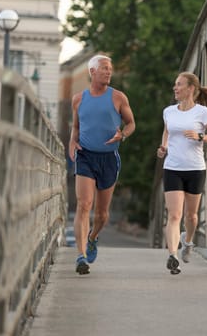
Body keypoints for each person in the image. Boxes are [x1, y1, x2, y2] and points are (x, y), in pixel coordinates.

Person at [68, 54, 135, 275]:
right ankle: (81, 256)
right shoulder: (78, 99)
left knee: (101, 214)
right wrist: (72, 142)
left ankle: (93, 237)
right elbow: (76, 127)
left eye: (110, 68)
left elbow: (131, 123)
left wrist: (122, 135)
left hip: (109, 158)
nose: (109, 72)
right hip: (86, 155)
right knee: (84, 204)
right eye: (104, 68)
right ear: (92, 72)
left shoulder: (118, 97)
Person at [156, 72, 207, 274]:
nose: (175, 88)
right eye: (174, 85)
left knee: (191, 216)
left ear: (191, 88)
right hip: (172, 168)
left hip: (195, 169)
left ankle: (188, 241)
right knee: (174, 215)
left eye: (179, 85)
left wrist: (199, 136)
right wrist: (163, 147)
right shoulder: (169, 111)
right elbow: (167, 131)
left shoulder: (202, 112)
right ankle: (173, 256)